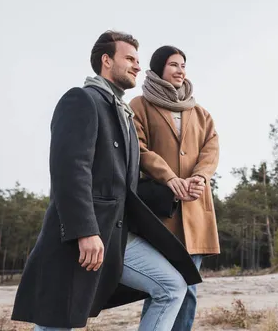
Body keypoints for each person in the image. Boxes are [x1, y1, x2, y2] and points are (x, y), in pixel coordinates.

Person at [11, 31, 202, 331]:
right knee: (57, 318)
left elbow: (124, 185)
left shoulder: (124, 114)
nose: (137, 66)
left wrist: (171, 190)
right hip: (81, 233)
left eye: (138, 60)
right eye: (129, 59)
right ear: (106, 60)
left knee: (172, 285)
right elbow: (69, 171)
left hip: (117, 235)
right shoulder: (82, 100)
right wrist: (85, 231)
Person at [130, 45, 220, 330]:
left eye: (183, 65)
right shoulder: (139, 106)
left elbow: (211, 149)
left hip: (195, 209)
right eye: (173, 64)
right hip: (160, 213)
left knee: (189, 287)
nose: (181, 70)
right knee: (162, 286)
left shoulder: (200, 112)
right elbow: (139, 149)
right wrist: (169, 177)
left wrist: (201, 178)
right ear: (158, 69)